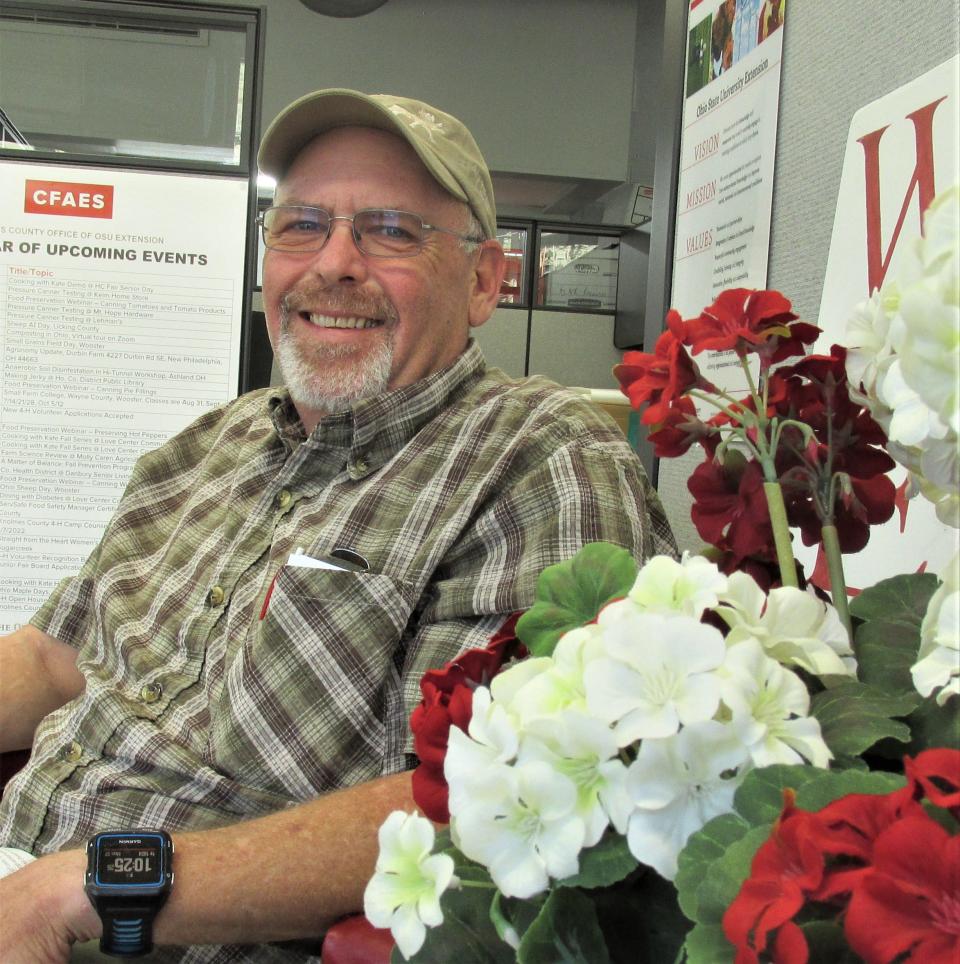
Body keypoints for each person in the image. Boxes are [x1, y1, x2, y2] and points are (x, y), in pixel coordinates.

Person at [0, 88, 676, 962]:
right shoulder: (213, 443)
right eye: (302, 225)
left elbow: (496, 799)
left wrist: (86, 887)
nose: (335, 264)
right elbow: (59, 654)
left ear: (483, 281)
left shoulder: (542, 464)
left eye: (392, 230)